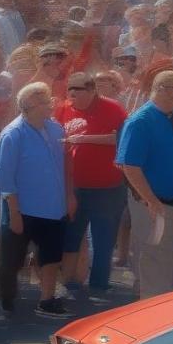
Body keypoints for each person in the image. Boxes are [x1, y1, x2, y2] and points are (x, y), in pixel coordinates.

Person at [0, 82, 74, 318]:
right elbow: (5, 177)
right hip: (22, 209)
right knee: (11, 260)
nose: (50, 105)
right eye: (44, 102)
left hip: (53, 208)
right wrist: (14, 214)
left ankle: (47, 301)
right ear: (28, 107)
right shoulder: (13, 134)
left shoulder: (56, 129)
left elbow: (65, 166)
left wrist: (69, 196)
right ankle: (5, 298)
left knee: (51, 256)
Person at [115, 71, 173, 298]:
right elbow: (129, 165)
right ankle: (153, 326)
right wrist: (151, 200)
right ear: (163, 89)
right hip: (155, 206)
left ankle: (168, 324)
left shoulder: (168, 118)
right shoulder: (141, 121)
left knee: (171, 269)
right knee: (156, 270)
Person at [55, 72, 128, 298]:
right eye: (70, 89)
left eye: (78, 89)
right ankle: (69, 281)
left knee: (103, 239)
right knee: (71, 237)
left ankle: (99, 284)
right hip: (75, 186)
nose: (73, 93)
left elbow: (122, 139)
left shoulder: (113, 108)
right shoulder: (64, 109)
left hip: (108, 188)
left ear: (92, 90)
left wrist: (85, 139)